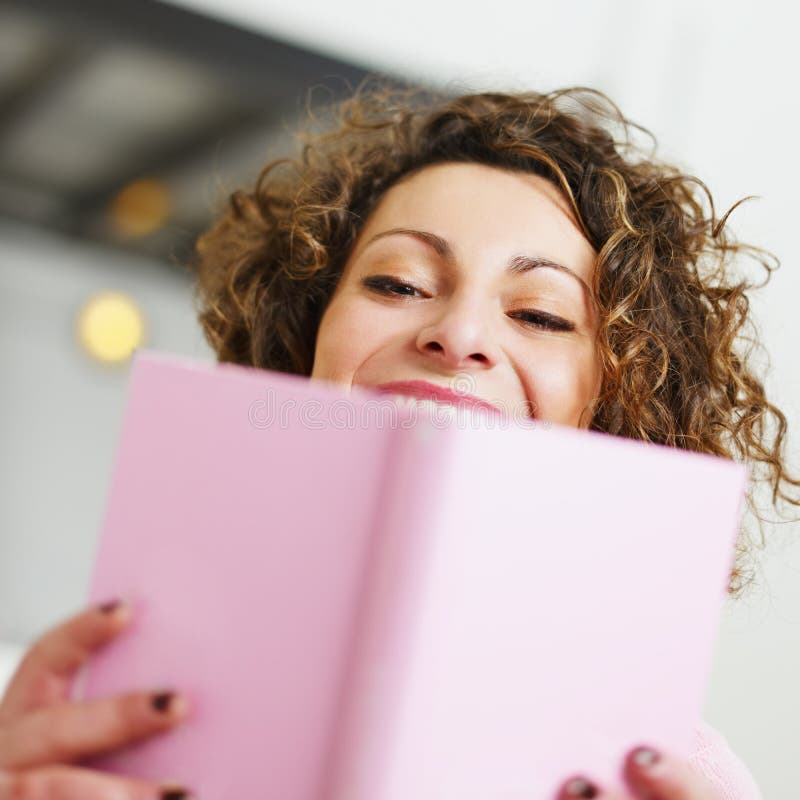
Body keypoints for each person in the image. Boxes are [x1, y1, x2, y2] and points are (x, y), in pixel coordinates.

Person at [1, 84, 797, 799]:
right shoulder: (88, 702)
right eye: (400, 284)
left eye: (542, 315)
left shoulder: (678, 778)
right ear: (304, 334)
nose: (456, 335)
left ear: (615, 395)